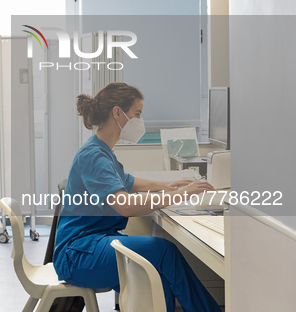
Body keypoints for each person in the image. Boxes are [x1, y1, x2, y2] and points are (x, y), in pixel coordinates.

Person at [53, 83, 222, 312]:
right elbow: (125, 206)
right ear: (117, 113)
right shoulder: (95, 156)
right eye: (138, 114)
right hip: (78, 255)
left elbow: (127, 180)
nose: (141, 121)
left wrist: (167, 185)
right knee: (163, 251)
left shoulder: (101, 150)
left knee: (158, 277)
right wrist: (181, 194)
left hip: (90, 245)